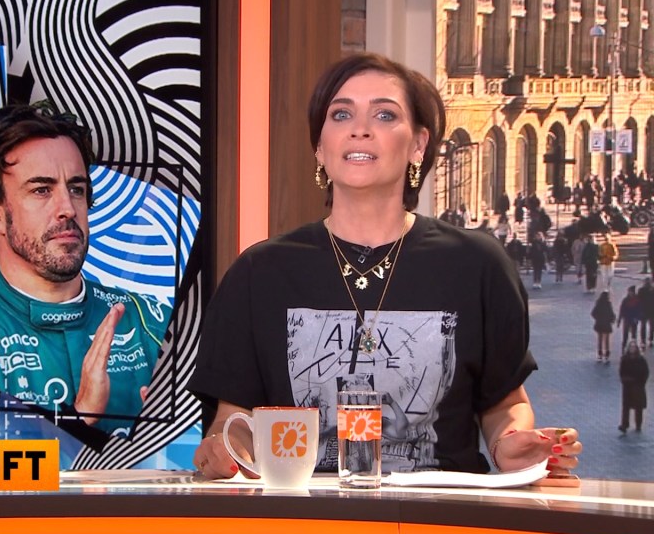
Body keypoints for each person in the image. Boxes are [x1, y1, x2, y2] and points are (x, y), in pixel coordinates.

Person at [188, 53, 581, 478]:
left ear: (418, 145)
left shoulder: (478, 265)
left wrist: (511, 445)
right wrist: (226, 449)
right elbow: (234, 419)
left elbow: (505, 405)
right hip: (305, 511)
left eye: (384, 114)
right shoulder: (259, 273)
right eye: (341, 114)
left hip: (442, 511)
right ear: (319, 146)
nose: (359, 129)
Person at [0, 101, 171, 435]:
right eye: (42, 190)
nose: (67, 209)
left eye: (76, 189)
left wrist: (170, 439)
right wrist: (79, 419)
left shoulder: (151, 322)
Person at [619, 341, 649, 433]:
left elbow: (646, 372)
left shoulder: (641, 360)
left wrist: (642, 382)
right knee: (626, 406)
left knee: (638, 407)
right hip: (627, 386)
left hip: (638, 386)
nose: (632, 349)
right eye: (631, 347)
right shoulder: (625, 359)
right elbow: (621, 372)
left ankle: (638, 424)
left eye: (634, 347)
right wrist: (624, 380)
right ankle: (624, 424)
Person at [592, 291, 615, 363]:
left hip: (599, 323)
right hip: (606, 324)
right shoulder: (608, 304)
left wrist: (598, 318)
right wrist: (612, 319)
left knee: (600, 339)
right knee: (606, 340)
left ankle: (600, 354)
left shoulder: (598, 304)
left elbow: (593, 313)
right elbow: (611, 313)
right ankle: (607, 354)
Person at [618, 286, 642, 352]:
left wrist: (637, 318)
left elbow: (639, 310)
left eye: (631, 292)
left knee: (633, 335)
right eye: (629, 292)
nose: (630, 293)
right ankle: (623, 347)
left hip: (633, 319)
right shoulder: (625, 300)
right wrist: (619, 320)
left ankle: (634, 349)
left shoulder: (637, 300)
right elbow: (622, 310)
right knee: (625, 335)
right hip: (627, 319)